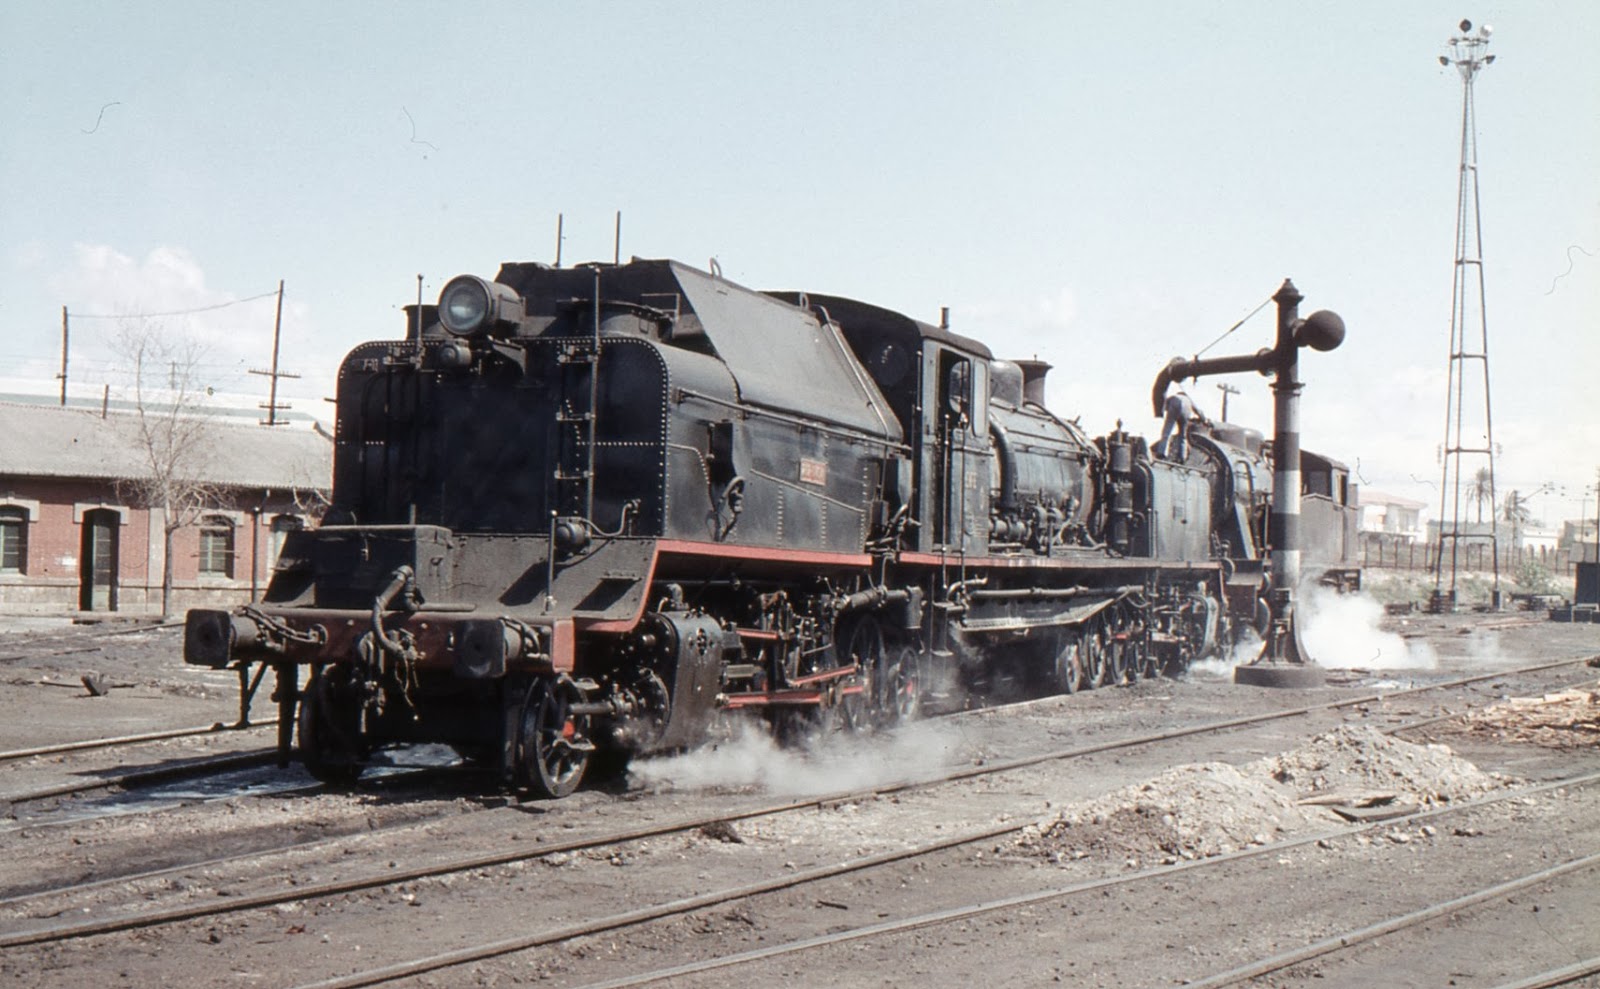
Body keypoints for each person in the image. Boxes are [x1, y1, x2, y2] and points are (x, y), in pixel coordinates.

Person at [1155, 387, 1210, 462]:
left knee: (1167, 432)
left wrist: (1161, 414)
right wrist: (1204, 420)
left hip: (1175, 405)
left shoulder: (1173, 397)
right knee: (1183, 435)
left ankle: (1161, 453)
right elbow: (1198, 411)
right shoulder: (1189, 400)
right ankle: (1182, 457)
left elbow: (1164, 406)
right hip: (1186, 410)